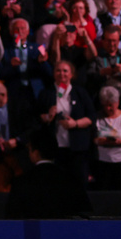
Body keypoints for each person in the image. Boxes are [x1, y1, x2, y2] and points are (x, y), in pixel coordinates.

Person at [5, 127, 92, 219]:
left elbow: (12, 217)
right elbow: (85, 214)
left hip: (33, 232)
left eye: (29, 149)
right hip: (65, 232)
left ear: (36, 153)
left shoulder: (21, 182)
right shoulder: (71, 180)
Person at [37, 60, 95, 188]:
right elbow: (37, 117)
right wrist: (48, 116)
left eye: (65, 71)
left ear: (71, 74)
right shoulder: (46, 93)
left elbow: (91, 116)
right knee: (57, 185)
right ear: (53, 73)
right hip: (55, 148)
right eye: (58, 70)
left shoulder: (80, 93)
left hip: (77, 148)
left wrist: (75, 124)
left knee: (79, 184)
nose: (61, 73)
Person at [94, 85, 121, 190]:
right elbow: (94, 139)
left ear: (117, 102)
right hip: (104, 163)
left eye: (111, 105)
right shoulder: (98, 117)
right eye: (105, 105)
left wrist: (119, 141)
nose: (108, 108)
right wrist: (104, 141)